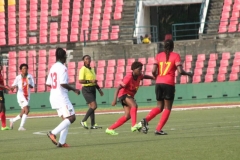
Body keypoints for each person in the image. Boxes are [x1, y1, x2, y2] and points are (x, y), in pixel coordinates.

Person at [140, 39, 193, 135]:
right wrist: (189, 74)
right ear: (173, 47)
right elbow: (180, 71)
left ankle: (146, 119)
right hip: (168, 83)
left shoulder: (159, 56)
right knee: (167, 108)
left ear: (164, 46)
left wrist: (157, 77)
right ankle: (158, 129)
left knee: (159, 107)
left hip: (158, 83)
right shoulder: (175, 56)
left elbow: (153, 71)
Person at [105, 62, 155, 135]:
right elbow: (118, 88)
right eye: (139, 69)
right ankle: (133, 125)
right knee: (134, 105)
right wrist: (114, 100)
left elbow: (144, 76)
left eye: (141, 70)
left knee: (127, 116)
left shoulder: (139, 76)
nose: (140, 71)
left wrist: (153, 78)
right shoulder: (128, 77)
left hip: (129, 96)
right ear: (134, 69)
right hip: (123, 94)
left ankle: (110, 129)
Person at [46, 48, 80, 147]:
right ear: (63, 57)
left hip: (54, 96)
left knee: (66, 119)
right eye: (65, 56)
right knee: (72, 117)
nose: (66, 58)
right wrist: (74, 89)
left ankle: (61, 142)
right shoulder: (62, 67)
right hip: (61, 97)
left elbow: (48, 83)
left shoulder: (53, 67)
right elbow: (63, 83)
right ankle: (53, 133)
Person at [79, 55, 103, 130]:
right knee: (94, 106)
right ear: (84, 60)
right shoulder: (83, 69)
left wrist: (99, 89)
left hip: (93, 88)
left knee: (92, 107)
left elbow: (94, 81)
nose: (88, 60)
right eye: (86, 59)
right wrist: (90, 81)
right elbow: (80, 81)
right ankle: (83, 120)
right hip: (86, 89)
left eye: (89, 59)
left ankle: (93, 124)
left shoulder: (92, 69)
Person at [9, 64, 35, 131]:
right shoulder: (18, 77)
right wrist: (12, 87)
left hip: (27, 95)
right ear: (20, 70)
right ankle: (21, 126)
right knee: (27, 110)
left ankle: (13, 120)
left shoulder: (30, 76)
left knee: (23, 112)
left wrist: (29, 85)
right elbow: (14, 85)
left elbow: (33, 86)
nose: (25, 70)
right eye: (23, 68)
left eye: (26, 68)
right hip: (21, 95)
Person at [0, 64, 11, 130]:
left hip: (1, 92)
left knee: (3, 108)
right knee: (2, 108)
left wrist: (6, 86)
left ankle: (3, 126)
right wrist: (5, 87)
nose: (1, 67)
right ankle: (3, 126)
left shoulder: (0, 74)